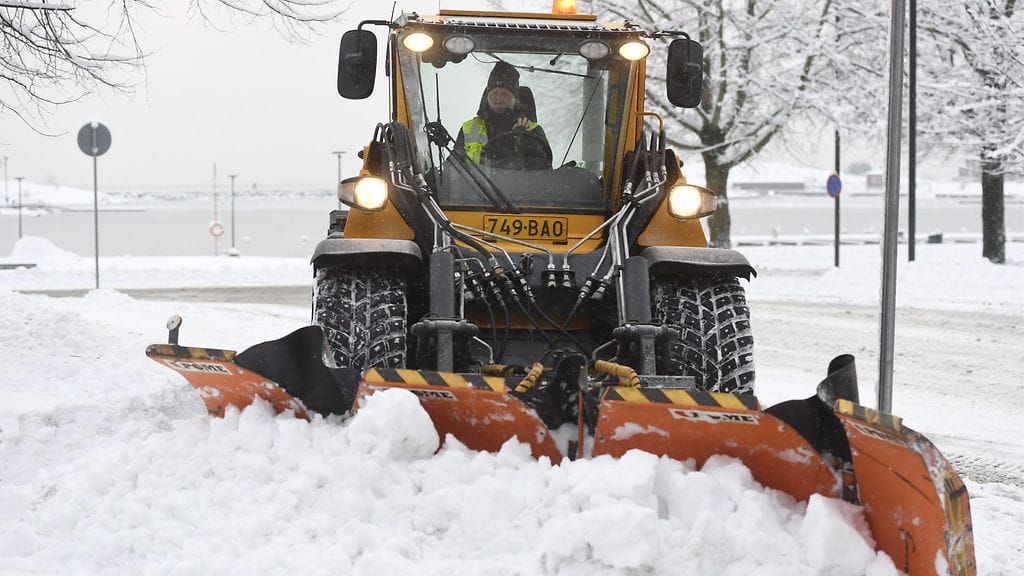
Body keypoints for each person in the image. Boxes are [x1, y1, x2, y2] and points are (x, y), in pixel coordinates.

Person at [456, 62, 553, 170]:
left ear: (515, 99)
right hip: (477, 186)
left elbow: (544, 169)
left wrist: (525, 141)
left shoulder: (533, 129)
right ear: (487, 98)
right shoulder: (469, 129)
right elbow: (454, 168)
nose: (498, 100)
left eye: (505, 95)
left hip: (523, 186)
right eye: (493, 95)